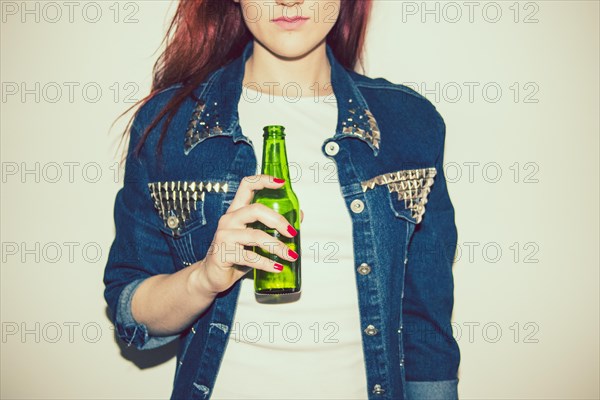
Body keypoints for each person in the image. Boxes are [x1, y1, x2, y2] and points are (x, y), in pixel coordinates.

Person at [103, 0, 461, 399]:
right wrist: (204, 278)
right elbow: (129, 308)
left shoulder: (410, 122)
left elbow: (426, 325)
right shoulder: (169, 123)